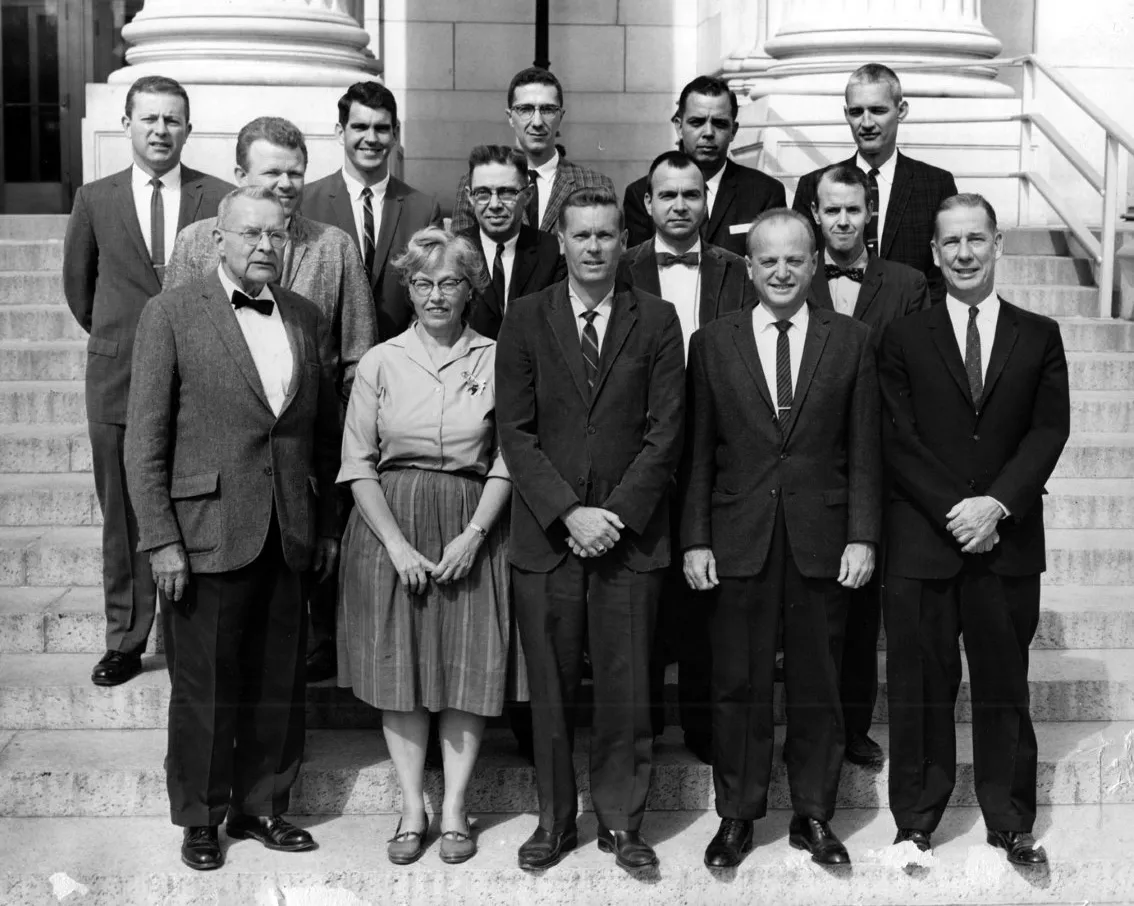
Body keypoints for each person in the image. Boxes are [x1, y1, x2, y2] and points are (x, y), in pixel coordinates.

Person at [124, 186, 341, 871]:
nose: (264, 247)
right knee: (205, 685)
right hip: (206, 533)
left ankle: (263, 806)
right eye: (250, 234)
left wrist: (325, 525)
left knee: (278, 680)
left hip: (290, 529)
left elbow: (320, 434)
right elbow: (145, 441)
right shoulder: (171, 314)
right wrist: (161, 538)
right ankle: (200, 815)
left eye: (277, 235)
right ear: (217, 239)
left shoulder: (305, 316)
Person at [680, 208, 881, 869]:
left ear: (815, 262)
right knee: (738, 682)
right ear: (748, 266)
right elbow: (699, 453)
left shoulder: (850, 340)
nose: (781, 270)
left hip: (823, 539)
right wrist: (696, 539)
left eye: (795, 258)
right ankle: (737, 815)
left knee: (817, 683)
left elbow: (864, 449)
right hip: (739, 538)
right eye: (768, 259)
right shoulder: (714, 342)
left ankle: (814, 815)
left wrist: (862, 536)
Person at [496, 187, 685, 873]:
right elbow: (513, 430)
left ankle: (622, 821)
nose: (595, 248)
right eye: (582, 236)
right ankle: (553, 819)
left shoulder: (658, 320)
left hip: (630, 541)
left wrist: (618, 515)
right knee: (548, 688)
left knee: (627, 685)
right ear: (564, 241)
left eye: (607, 235)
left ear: (621, 241)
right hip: (548, 539)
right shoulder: (525, 318)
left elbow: (666, 433)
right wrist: (568, 512)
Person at [878, 193, 1069, 864]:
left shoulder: (1039, 334)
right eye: (950, 242)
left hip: (1006, 540)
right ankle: (917, 822)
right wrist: (958, 509)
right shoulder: (903, 337)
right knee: (920, 687)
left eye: (976, 240)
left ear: (997, 247)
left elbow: (1049, 429)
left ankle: (1010, 820)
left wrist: (996, 506)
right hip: (924, 541)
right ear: (933, 252)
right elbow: (896, 439)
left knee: (1002, 684)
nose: (964, 253)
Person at [164, 116, 378, 684]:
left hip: (305, 450)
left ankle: (324, 645)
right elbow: (171, 348)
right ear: (239, 176)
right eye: (270, 172)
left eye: (295, 173)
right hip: (221, 468)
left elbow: (357, 352)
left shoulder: (333, 246)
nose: (285, 184)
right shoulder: (196, 242)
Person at [337, 227, 520, 867]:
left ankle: (454, 812)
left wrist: (474, 536)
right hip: (391, 525)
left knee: (469, 668)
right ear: (406, 289)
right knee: (401, 675)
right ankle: (411, 809)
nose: (435, 295)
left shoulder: (499, 357)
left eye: (449, 282)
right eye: (422, 283)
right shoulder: (380, 361)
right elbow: (357, 463)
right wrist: (397, 547)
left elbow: (510, 456)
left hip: (474, 521)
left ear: (472, 288)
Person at [62, 76, 231, 688]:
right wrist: (125, 340)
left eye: (172, 120)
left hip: (201, 382)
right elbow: (80, 291)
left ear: (188, 128)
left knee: (193, 506)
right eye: (150, 119)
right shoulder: (94, 199)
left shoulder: (219, 199)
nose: (161, 130)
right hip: (118, 377)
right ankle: (127, 639)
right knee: (125, 517)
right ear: (128, 125)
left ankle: (190, 634)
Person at [617, 149, 755, 763]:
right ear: (647, 204)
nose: (679, 206)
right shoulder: (616, 268)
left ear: (708, 203)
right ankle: (641, 728)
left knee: (708, 600)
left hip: (716, 458)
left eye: (690, 195)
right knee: (639, 601)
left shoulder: (738, 270)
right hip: (638, 458)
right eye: (666, 195)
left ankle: (704, 729)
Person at [807, 162, 930, 769]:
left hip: (880, 461)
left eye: (853, 210)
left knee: (861, 608)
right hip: (809, 464)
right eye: (832, 210)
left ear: (871, 215)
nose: (843, 220)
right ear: (815, 214)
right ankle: (809, 730)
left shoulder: (906, 284)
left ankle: (853, 727)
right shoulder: (792, 275)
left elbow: (918, 377)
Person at [792, 64, 958, 304]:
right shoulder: (813, 185)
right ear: (846, 114)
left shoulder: (936, 185)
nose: (866, 123)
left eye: (878, 110)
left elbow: (944, 270)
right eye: (857, 112)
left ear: (901, 110)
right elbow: (801, 265)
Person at [303, 81, 443, 341]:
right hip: (324, 362)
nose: (371, 138)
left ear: (395, 133)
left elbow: (431, 291)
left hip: (398, 361)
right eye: (359, 127)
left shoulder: (423, 208)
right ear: (340, 132)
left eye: (381, 128)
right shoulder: (306, 203)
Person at [624, 75, 786, 257]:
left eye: (719, 124)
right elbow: (637, 271)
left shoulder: (765, 193)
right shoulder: (640, 194)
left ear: (733, 130)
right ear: (679, 127)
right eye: (697, 122)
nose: (708, 133)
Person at [450, 68, 615, 235]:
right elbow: (461, 254)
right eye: (526, 109)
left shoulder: (595, 184)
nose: (537, 122)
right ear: (510, 117)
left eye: (548, 110)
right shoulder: (477, 184)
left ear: (561, 116)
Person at [459, 144, 566, 341]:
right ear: (469, 197)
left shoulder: (552, 252)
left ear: (527, 195)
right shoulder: (454, 252)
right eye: (482, 193)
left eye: (506, 192)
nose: (494, 205)